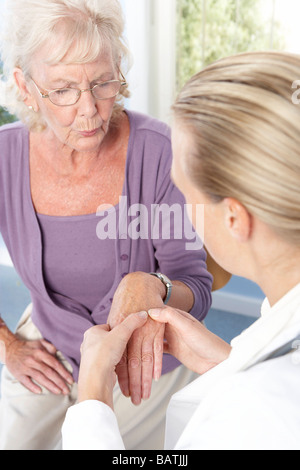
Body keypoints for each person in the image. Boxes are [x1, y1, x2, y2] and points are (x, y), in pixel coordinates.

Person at [0, 0, 216, 450]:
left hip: (141, 353)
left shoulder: (159, 152)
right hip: (49, 341)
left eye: (103, 82)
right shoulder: (4, 157)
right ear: (25, 85)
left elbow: (196, 286)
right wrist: (7, 344)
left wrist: (153, 283)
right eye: (62, 89)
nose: (92, 110)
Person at [62, 51, 300, 451]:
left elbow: (265, 409)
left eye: (184, 192)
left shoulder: (259, 409)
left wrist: (92, 398)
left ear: (233, 219)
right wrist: (227, 363)